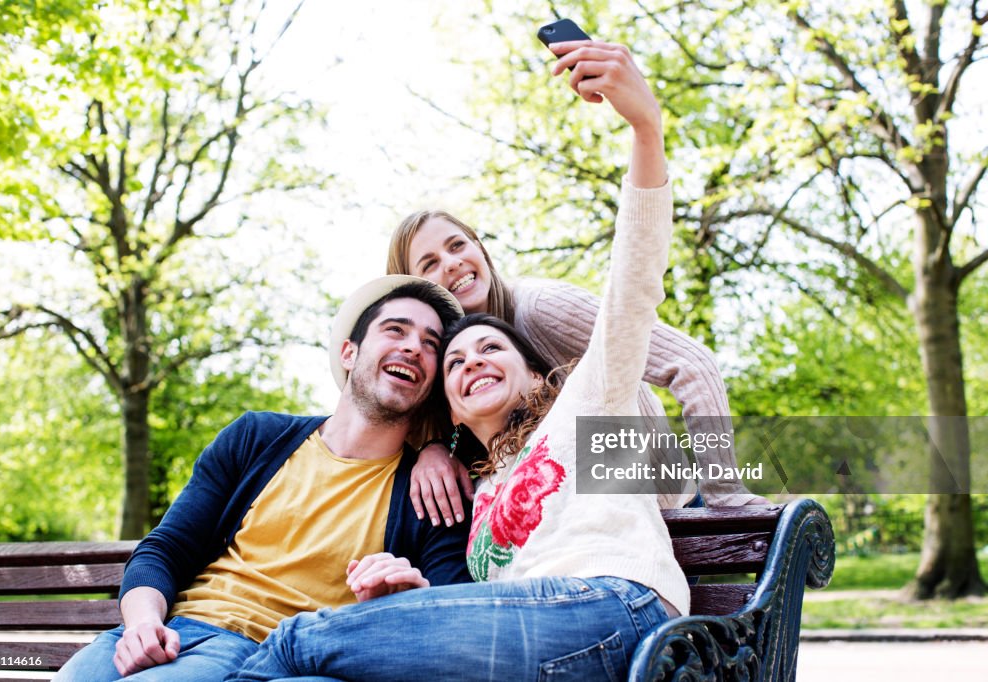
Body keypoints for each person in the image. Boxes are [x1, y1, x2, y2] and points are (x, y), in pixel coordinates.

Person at [229, 39, 692, 682]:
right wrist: (409, 595)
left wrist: (646, 129)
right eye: (453, 362)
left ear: (536, 374)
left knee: (296, 641)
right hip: (544, 642)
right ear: (445, 402)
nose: (471, 360)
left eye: (492, 347)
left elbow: (634, 280)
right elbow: (491, 617)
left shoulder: (588, 402)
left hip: (617, 608)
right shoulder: (474, 494)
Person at [388, 81, 767, 533]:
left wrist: (726, 498)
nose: (452, 264)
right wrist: (432, 449)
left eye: (458, 245)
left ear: (480, 248)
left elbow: (692, 363)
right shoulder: (450, 366)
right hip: (559, 532)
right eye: (431, 262)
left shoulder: (542, 309)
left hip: (658, 511)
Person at [55, 277, 470, 681]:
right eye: (395, 329)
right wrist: (142, 624)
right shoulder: (257, 437)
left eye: (431, 344)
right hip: (173, 631)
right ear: (349, 353)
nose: (413, 347)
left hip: (280, 655)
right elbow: (165, 549)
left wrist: (408, 601)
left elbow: (451, 619)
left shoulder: (433, 493)